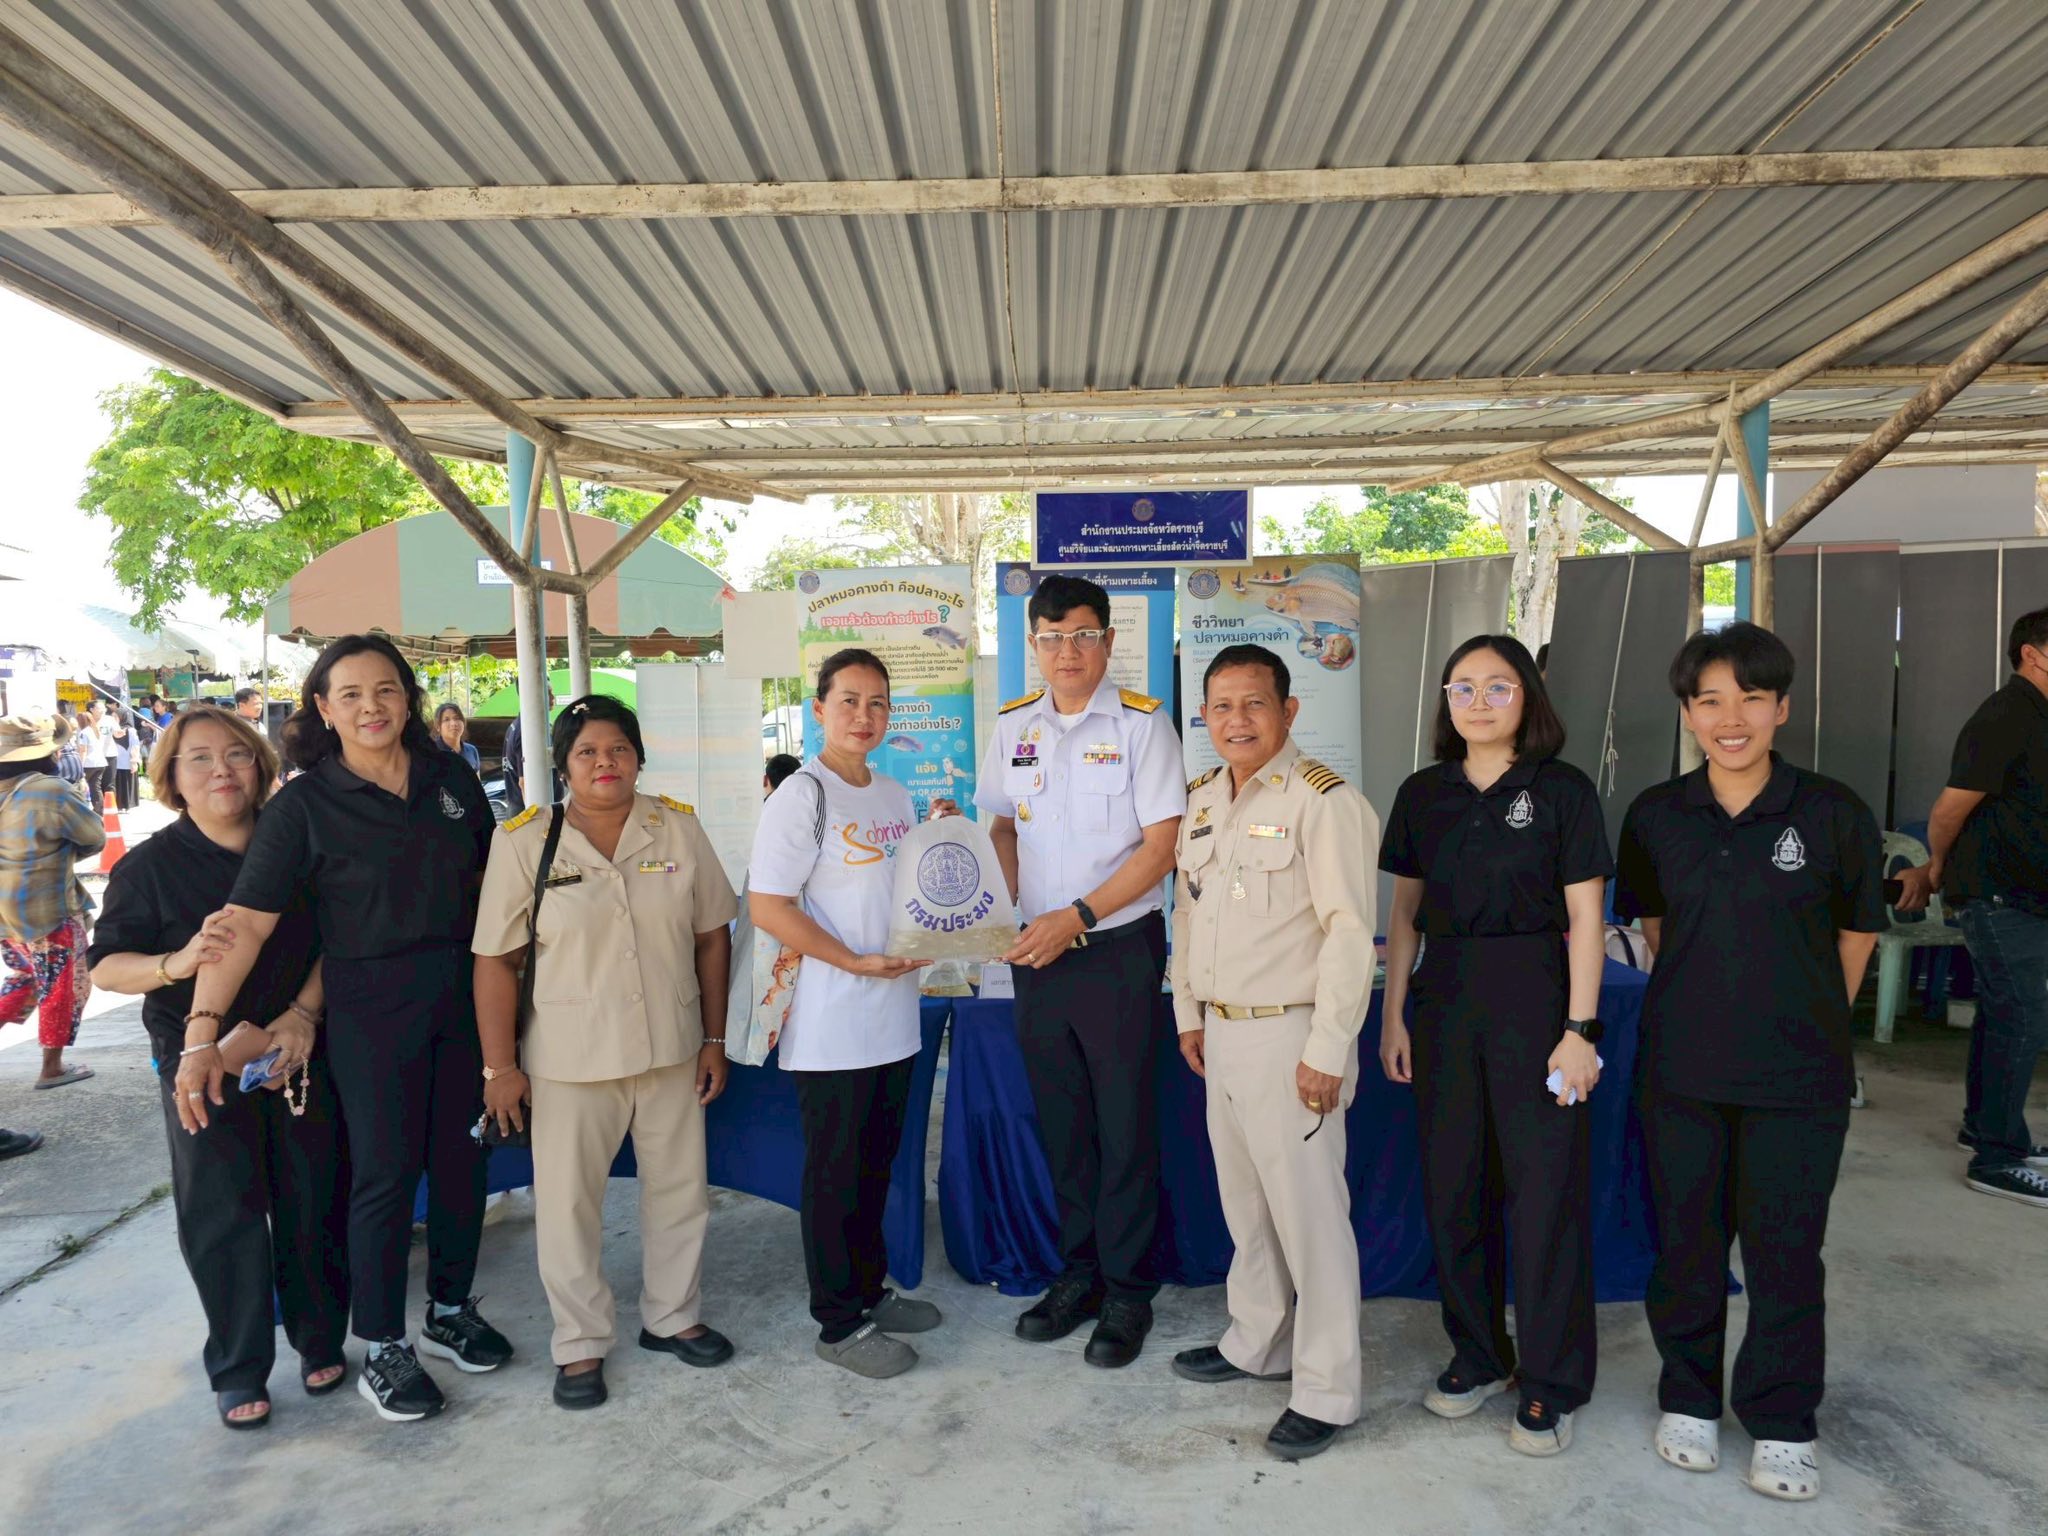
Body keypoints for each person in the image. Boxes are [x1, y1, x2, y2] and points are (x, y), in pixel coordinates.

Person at [188, 633, 510, 1425]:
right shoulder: (303, 807)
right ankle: (383, 1345)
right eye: (352, 695)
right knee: (385, 1175)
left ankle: (449, 1309)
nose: (372, 707)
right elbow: (246, 925)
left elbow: (493, 885)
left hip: (463, 996)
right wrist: (201, 1032)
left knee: (464, 1157)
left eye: (386, 690)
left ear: (408, 698)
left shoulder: (449, 777)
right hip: (369, 1009)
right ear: (324, 709)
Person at [1613, 622, 1883, 1503]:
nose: (1731, 720)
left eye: (1751, 699)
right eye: (1711, 701)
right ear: (1688, 714)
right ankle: (1688, 1398)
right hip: (1681, 1072)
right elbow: (1658, 930)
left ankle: (1781, 1418)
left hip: (1798, 1081)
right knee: (1686, 1248)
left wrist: (1806, 1020)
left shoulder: (1832, 812)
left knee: (1786, 1254)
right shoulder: (1657, 814)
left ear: (1781, 709)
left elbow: (1855, 936)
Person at [1377, 634, 1611, 1457]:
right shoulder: (1423, 793)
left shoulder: (1562, 791)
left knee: (1544, 1195)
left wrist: (1579, 1031)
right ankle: (1478, 1354)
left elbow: (1586, 918)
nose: (1479, 702)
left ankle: (1552, 1381)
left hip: (1537, 1000)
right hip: (1444, 1003)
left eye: (1498, 686)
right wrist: (1394, 1015)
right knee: (1455, 1187)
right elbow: (1404, 916)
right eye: (1463, 688)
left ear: (1528, 697)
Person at [86, 706, 350, 1430]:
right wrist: (175, 963)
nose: (221, 771)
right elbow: (105, 966)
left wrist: (302, 1014)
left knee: (312, 1193)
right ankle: (238, 1367)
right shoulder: (150, 866)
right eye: (199, 758)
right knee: (220, 1210)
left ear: (260, 767)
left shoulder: (296, 842)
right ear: (171, 777)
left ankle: (320, 1338)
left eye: (236, 755)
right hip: (200, 1061)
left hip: (299, 1045)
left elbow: (341, 934)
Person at [473, 695, 739, 1410]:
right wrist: (500, 1067)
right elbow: (495, 960)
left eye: (618, 748)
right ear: (563, 765)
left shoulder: (677, 827)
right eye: (587, 751)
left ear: (639, 757)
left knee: (680, 1192)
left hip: (670, 1048)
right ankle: (580, 1342)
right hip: (569, 1059)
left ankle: (672, 1316)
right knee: (568, 1207)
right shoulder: (525, 842)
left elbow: (713, 937)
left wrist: (714, 1038)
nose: (605, 763)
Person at [1169, 644, 1378, 1462]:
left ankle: (1327, 1389)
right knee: (1247, 1205)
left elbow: (1350, 935)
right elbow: (1188, 915)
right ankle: (1258, 1340)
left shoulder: (1324, 802)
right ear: (1204, 717)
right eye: (1221, 706)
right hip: (1221, 1033)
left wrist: (1328, 1048)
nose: (1237, 720)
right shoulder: (1203, 800)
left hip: (1292, 1035)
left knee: (1310, 1219)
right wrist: (1188, 1010)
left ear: (1288, 711)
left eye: (1254, 703)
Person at [973, 573, 1186, 1367]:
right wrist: (1006, 907)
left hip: (1116, 950)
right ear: (1033, 645)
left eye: (1084, 635)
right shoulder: (1013, 726)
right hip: (1039, 953)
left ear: (1108, 641)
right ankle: (1080, 1275)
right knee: (1063, 1123)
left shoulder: (1143, 726)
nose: (1069, 651)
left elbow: (1161, 849)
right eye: (1054, 638)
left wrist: (1079, 917)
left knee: (1125, 1126)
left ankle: (1128, 1292)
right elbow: (1001, 826)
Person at [749, 649, 940, 1378]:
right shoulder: (802, 795)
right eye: (850, 701)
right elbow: (769, 906)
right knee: (835, 1173)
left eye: (878, 703)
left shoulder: (892, 794)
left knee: (875, 1164)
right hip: (831, 1019)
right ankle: (837, 1324)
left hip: (893, 1012)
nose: (865, 716)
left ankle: (868, 1290)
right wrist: (852, 961)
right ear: (819, 708)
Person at [1897, 605, 2048, 1206]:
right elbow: (1949, 810)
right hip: (1998, 893)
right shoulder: (2007, 713)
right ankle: (1997, 1158)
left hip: (2023, 893)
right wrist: (1935, 869)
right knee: (2022, 1017)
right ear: (2032, 654)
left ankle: (1985, 1128)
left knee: (2005, 1013)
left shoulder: (2037, 715)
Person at [0, 714, 104, 1090]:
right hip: (47, 908)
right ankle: (52, 1067)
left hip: (5, 910)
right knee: (64, 982)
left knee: (27, 976)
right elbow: (93, 837)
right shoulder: (51, 791)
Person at [503, 681, 558, 814]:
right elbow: (525, 783)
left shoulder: (520, 724)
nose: (553, 697)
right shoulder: (528, 731)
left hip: (522, 806)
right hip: (528, 810)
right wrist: (534, 819)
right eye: (548, 693)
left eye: (551, 692)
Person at [435, 702, 483, 777]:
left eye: (456, 718)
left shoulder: (472, 750)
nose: (453, 723)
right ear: (438, 727)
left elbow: (477, 781)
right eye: (446, 719)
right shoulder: (430, 752)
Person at [76, 703, 107, 809]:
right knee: (96, 787)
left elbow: (83, 750)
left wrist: (80, 765)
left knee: (81, 785)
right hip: (101, 762)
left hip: (89, 763)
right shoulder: (96, 731)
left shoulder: (83, 733)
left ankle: (82, 808)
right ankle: (99, 810)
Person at [109, 706, 137, 811]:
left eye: (115, 717)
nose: (113, 719)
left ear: (122, 717)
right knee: (117, 784)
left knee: (126, 783)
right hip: (115, 761)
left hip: (126, 761)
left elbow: (135, 745)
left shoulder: (131, 730)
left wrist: (134, 761)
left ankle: (127, 805)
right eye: (112, 717)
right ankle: (118, 805)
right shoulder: (112, 730)